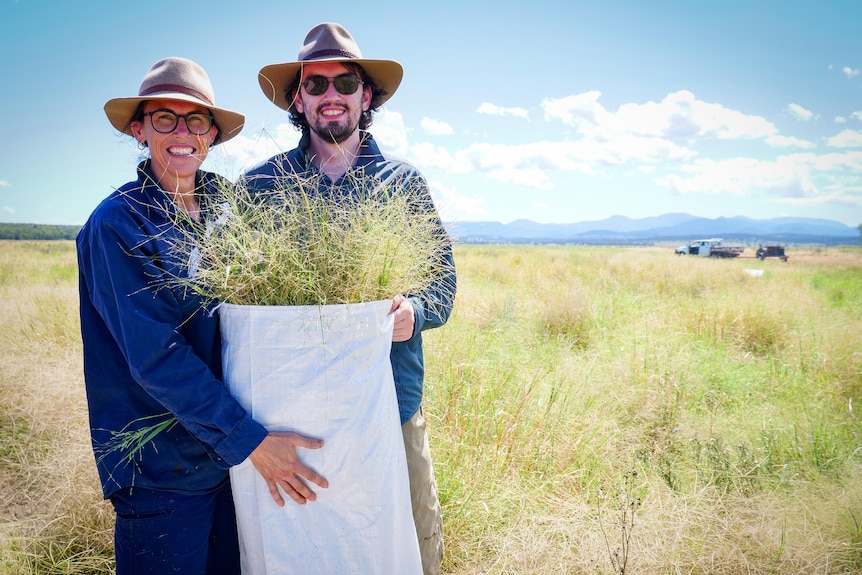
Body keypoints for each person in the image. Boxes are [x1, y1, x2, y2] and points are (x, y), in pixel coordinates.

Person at [77, 56, 328, 574]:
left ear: (212, 133)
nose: (181, 133)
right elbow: (157, 358)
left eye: (195, 120)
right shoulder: (116, 224)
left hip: (228, 465)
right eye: (164, 118)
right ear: (138, 128)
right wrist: (253, 442)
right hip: (163, 472)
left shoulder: (227, 208)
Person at [243, 23, 457, 575]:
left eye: (345, 82)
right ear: (298, 98)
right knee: (302, 544)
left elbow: (443, 287)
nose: (330, 94)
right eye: (316, 84)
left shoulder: (402, 184)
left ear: (367, 96)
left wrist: (416, 310)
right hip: (291, 416)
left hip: (391, 401)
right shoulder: (260, 189)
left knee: (412, 536)